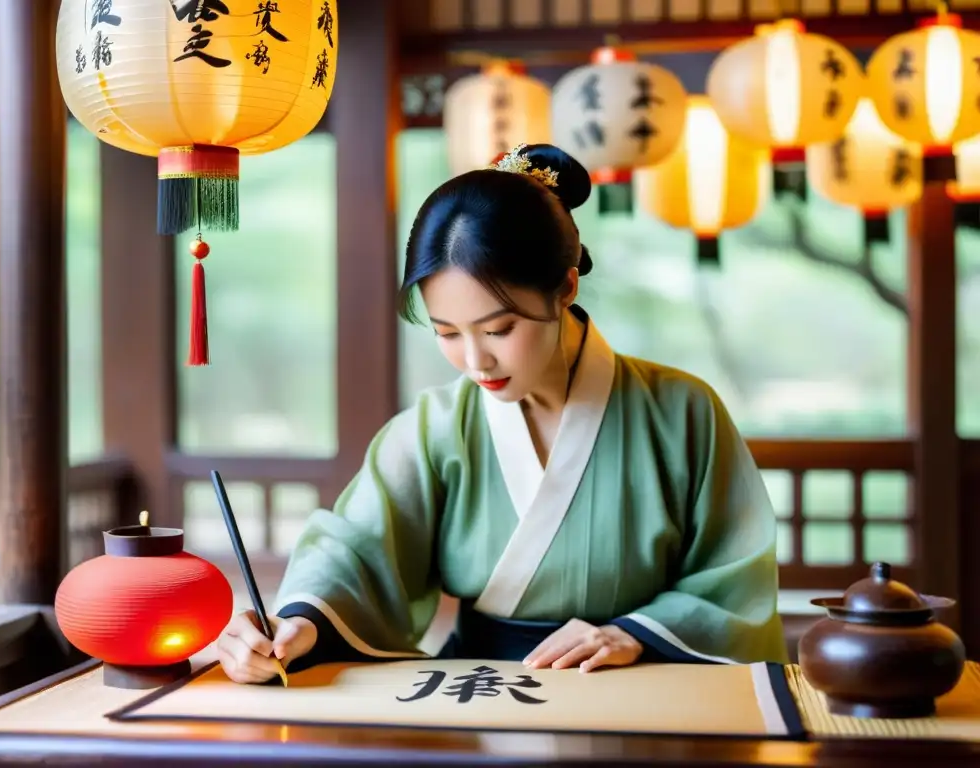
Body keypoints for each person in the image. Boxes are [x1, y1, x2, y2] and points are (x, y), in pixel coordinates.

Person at [215, 143, 789, 685]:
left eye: (499, 329)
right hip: (478, 687)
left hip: (640, 686)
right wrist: (295, 626)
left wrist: (634, 635)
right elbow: (356, 554)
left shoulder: (683, 413)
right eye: (447, 334)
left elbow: (732, 581)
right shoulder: (434, 429)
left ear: (565, 288)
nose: (474, 359)